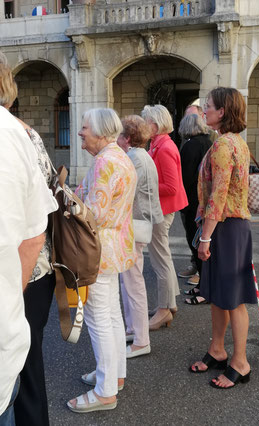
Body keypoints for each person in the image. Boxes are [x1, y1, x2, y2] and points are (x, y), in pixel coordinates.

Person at [68, 108, 137, 413]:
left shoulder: (104, 162)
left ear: (100, 132)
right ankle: (114, 376)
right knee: (111, 316)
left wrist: (68, 204)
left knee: (100, 320)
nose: (81, 132)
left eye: (84, 127)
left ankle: (106, 390)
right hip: (115, 247)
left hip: (97, 250)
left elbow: (91, 215)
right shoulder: (120, 157)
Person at [0, 63, 58, 425]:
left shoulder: (17, 134)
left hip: (26, 271)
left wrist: (12, 291)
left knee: (27, 369)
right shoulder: (23, 133)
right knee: (28, 365)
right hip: (33, 268)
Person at [189, 87, 256, 389]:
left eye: (209, 106)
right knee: (218, 294)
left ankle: (240, 362)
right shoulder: (235, 142)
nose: (204, 109)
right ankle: (218, 349)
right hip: (230, 226)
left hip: (224, 227)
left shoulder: (222, 146)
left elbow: (218, 195)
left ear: (223, 112)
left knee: (232, 299)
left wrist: (205, 238)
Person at [118, 115, 163, 358]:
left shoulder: (135, 158)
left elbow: (123, 192)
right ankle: (134, 329)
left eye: (118, 134)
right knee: (130, 280)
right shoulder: (140, 156)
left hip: (135, 226)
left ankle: (141, 340)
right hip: (139, 224)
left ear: (126, 138)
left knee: (133, 282)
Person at [141, 104, 188, 330]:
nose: (142, 125)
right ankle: (169, 303)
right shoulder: (159, 144)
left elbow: (171, 186)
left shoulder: (165, 147)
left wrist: (143, 185)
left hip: (162, 209)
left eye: (145, 121)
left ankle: (164, 308)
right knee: (162, 257)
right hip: (161, 208)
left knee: (160, 260)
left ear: (155, 124)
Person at [178, 104, 216, 285]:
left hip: (191, 199)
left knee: (193, 236)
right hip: (205, 198)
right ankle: (202, 274)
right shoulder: (208, 142)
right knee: (201, 238)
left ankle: (202, 278)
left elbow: (184, 178)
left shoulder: (189, 146)